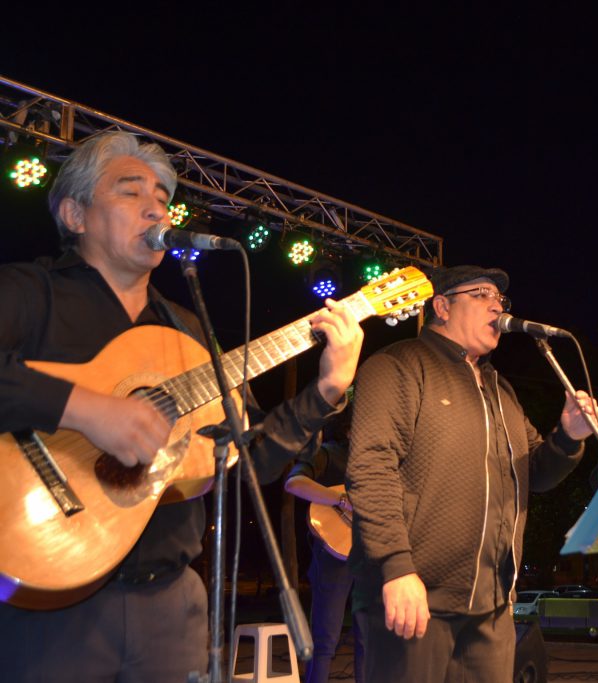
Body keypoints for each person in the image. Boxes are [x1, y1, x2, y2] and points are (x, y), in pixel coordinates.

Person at [0, 132, 364, 682]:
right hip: (48, 609)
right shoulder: (29, 292)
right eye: (130, 192)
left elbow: (249, 460)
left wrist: (327, 389)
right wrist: (84, 409)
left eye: (163, 198)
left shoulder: (187, 328)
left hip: (171, 607)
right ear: (75, 214)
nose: (156, 208)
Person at [345, 264, 598, 682]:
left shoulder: (501, 390)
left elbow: (534, 473)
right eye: (481, 294)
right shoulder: (398, 365)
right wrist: (396, 567)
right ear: (442, 307)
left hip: (492, 606)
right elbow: (371, 468)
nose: (497, 306)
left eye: (500, 298)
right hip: (415, 597)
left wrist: (569, 437)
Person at [284, 409, 365, 683]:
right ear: (348, 429)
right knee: (325, 638)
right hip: (333, 555)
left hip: (369, 554)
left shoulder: (378, 461)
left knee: (367, 637)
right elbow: (295, 483)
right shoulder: (329, 453)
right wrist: (340, 500)